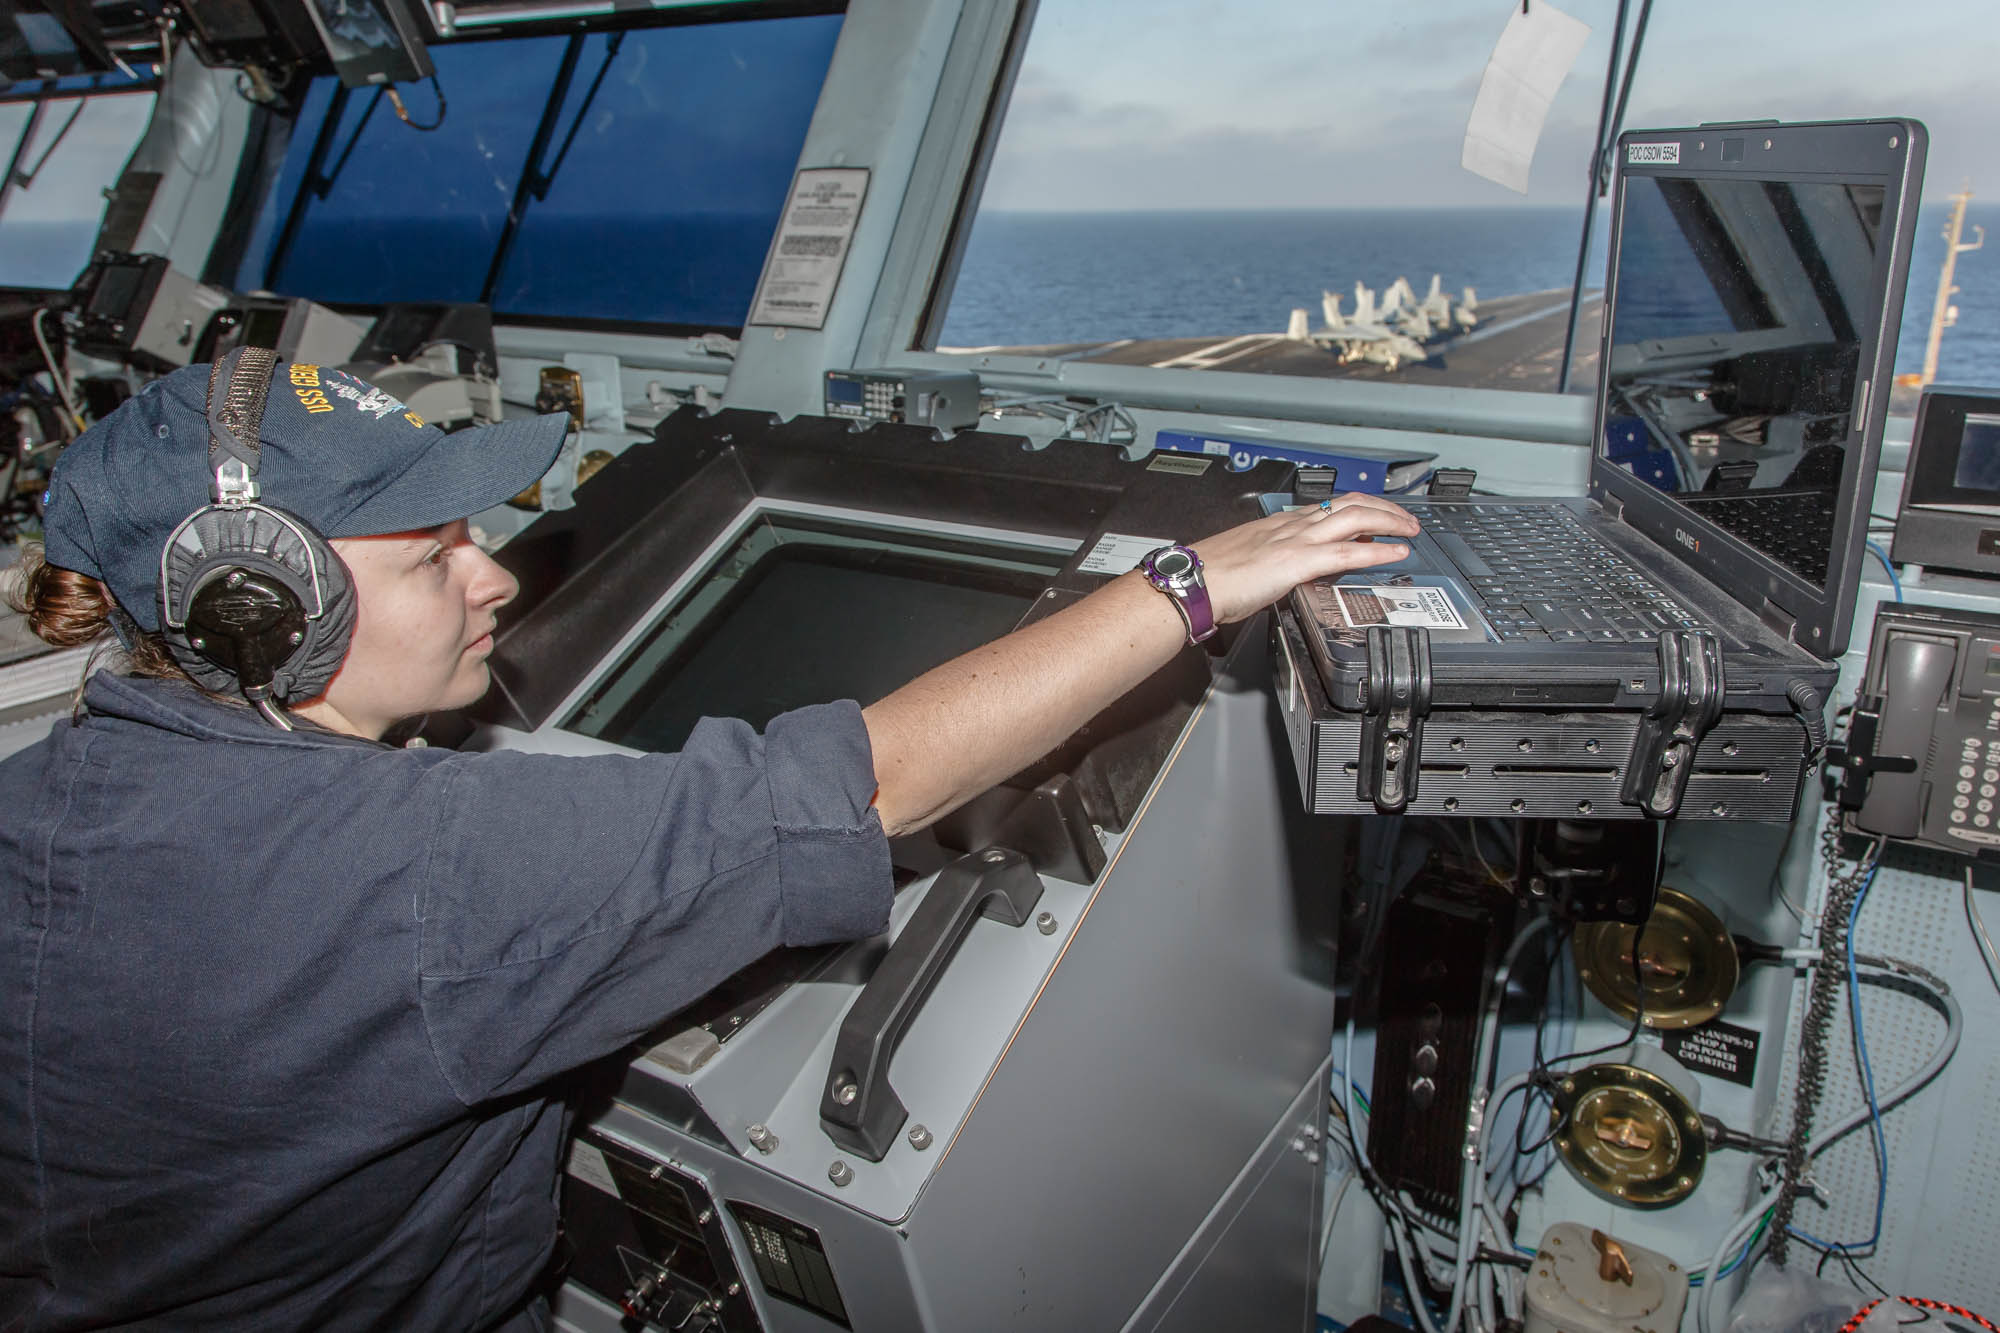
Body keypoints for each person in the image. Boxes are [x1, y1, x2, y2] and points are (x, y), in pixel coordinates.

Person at [0, 356, 1418, 1330]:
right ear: (264, 615)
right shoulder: (417, 873)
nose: (496, 576)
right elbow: (872, 782)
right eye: (431, 555)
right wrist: (1192, 581)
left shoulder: (48, 793)